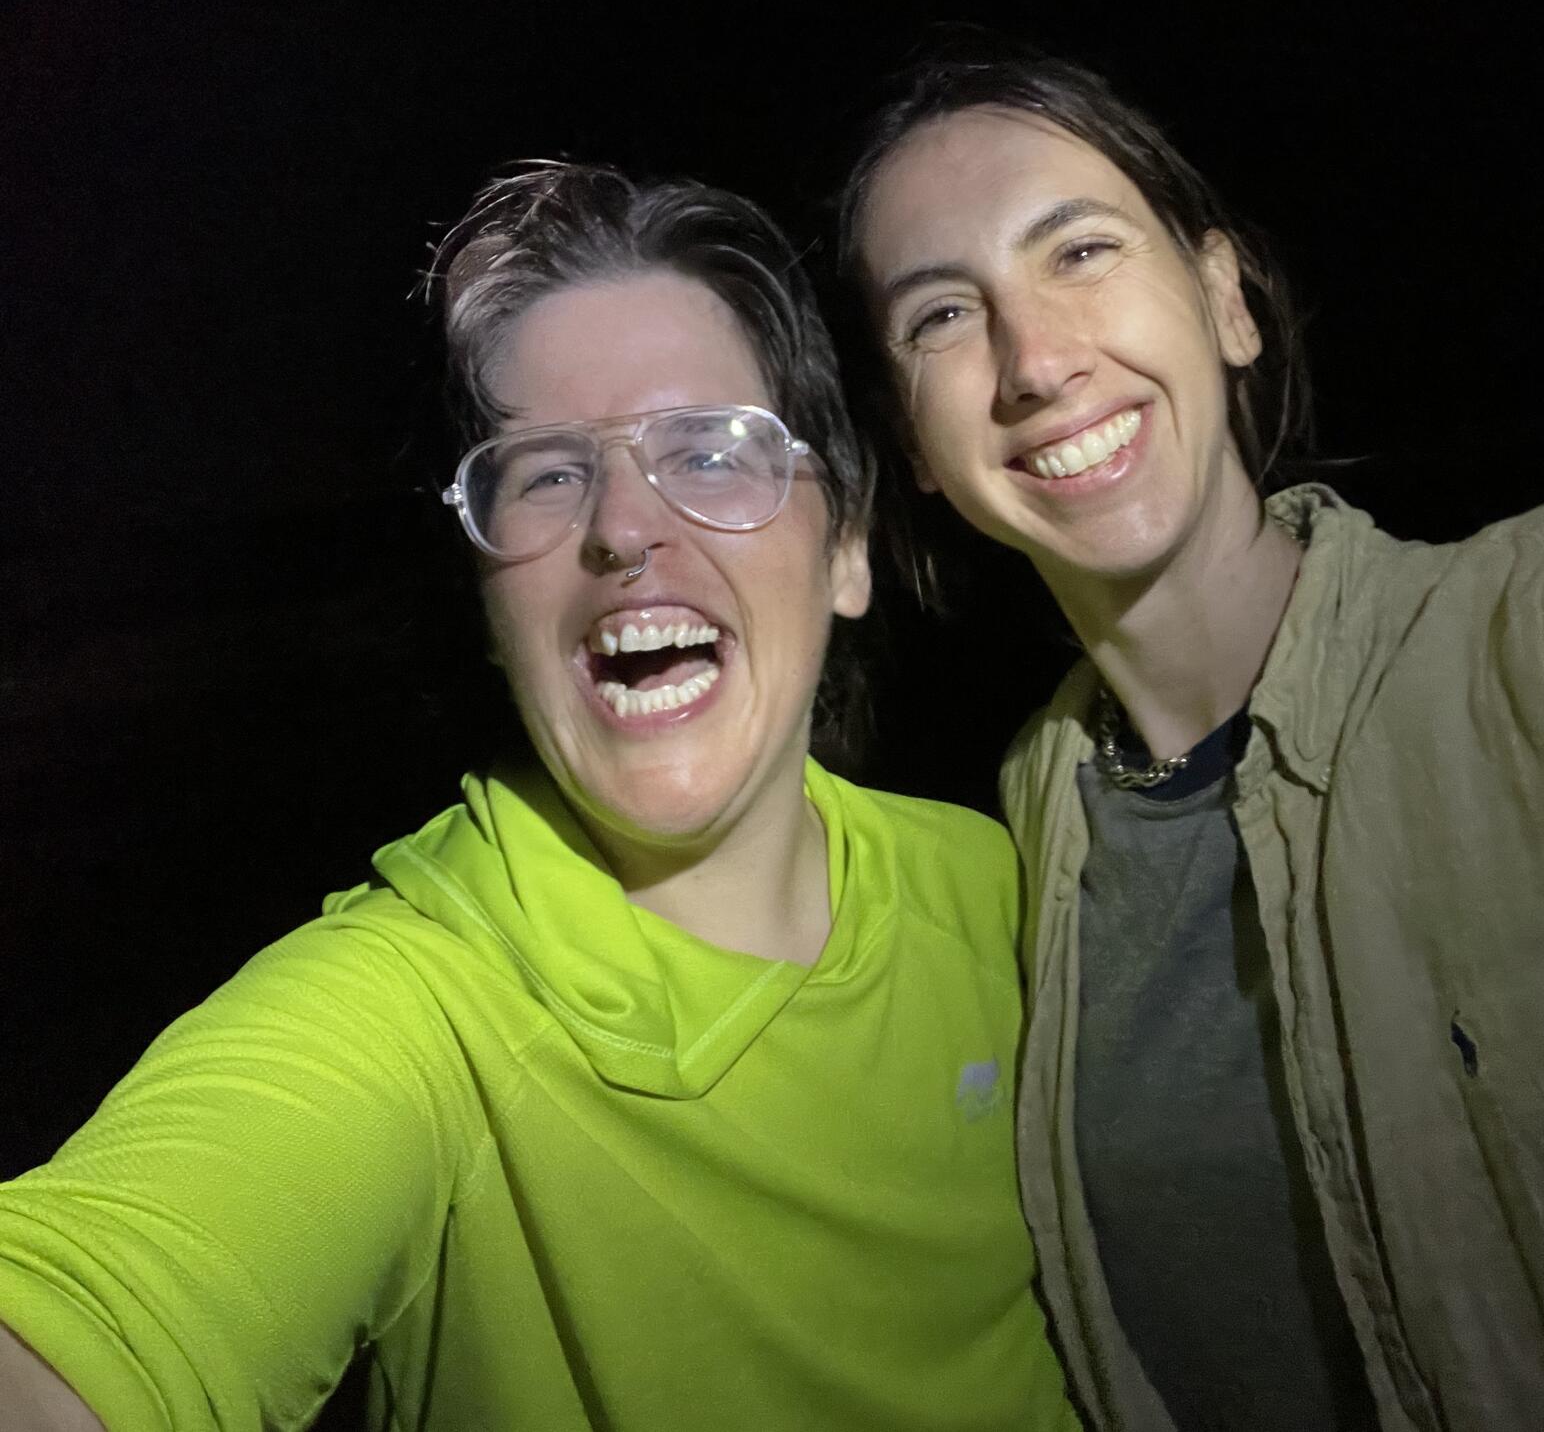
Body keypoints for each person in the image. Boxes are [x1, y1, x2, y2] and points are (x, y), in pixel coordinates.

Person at [839, 44, 1544, 1432]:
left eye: (1080, 249)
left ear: (1226, 303)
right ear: (911, 444)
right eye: (942, 319)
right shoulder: (1026, 848)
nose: (1035, 359)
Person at [0, 162, 1080, 1432]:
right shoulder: (420, 1006)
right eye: (546, 473)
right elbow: (90, 1319)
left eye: (708, 452)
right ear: (491, 608)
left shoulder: (1001, 887)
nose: (623, 526)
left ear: (846, 549)